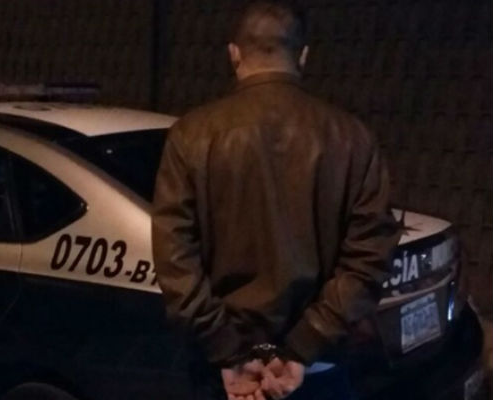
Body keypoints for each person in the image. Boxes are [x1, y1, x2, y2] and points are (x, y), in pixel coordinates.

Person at [151, 1, 401, 399]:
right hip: (319, 367)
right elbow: (369, 257)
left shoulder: (190, 135)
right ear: (303, 56)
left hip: (226, 372)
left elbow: (176, 261)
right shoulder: (352, 137)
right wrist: (303, 345)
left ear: (234, 54)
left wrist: (228, 349)